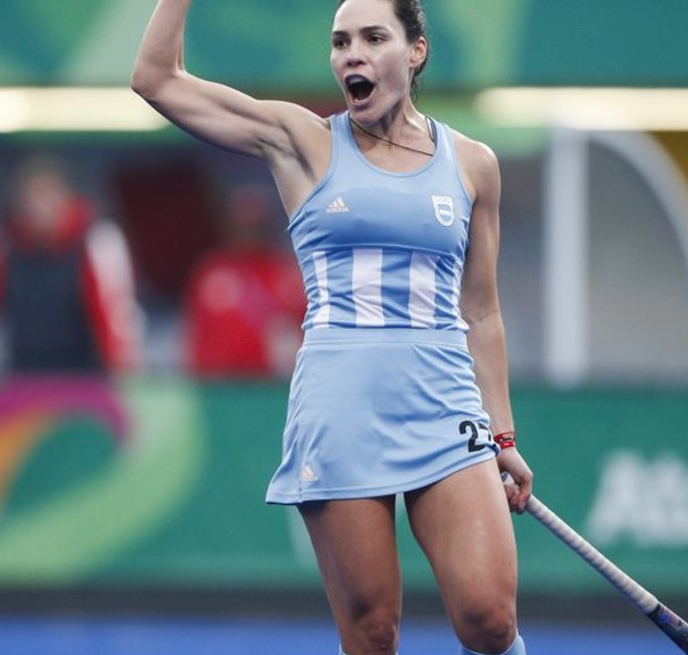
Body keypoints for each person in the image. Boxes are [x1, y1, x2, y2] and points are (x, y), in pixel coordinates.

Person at [132, 1, 534, 653]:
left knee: (490, 618)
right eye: (340, 41)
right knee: (373, 633)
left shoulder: (473, 165)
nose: (352, 53)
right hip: (341, 409)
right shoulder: (302, 140)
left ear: (416, 51)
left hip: (444, 406)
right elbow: (156, 78)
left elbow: (483, 312)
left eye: (374, 37)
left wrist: (503, 431)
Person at [0, 156, 142, 376]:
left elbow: (114, 326)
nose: (40, 207)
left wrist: (125, 384)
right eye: (33, 198)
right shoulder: (1, 246)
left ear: (65, 197)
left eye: (48, 196)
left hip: (84, 385)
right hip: (23, 385)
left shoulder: (96, 241)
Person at [183, 184, 307, 379]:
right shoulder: (211, 272)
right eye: (241, 222)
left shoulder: (288, 272)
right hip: (222, 386)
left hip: (274, 385)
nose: (249, 230)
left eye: (256, 224)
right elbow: (197, 337)